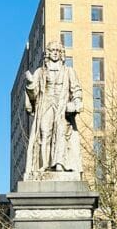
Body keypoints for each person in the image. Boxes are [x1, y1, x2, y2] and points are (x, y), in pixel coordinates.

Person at [24, 42, 83, 178]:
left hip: (62, 106)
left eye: (58, 50)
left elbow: (76, 90)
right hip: (46, 104)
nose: (55, 52)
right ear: (48, 53)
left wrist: (76, 102)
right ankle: (44, 164)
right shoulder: (40, 72)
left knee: (61, 133)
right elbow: (33, 94)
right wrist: (30, 84)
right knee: (44, 133)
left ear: (61, 53)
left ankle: (59, 164)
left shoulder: (69, 71)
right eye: (52, 50)